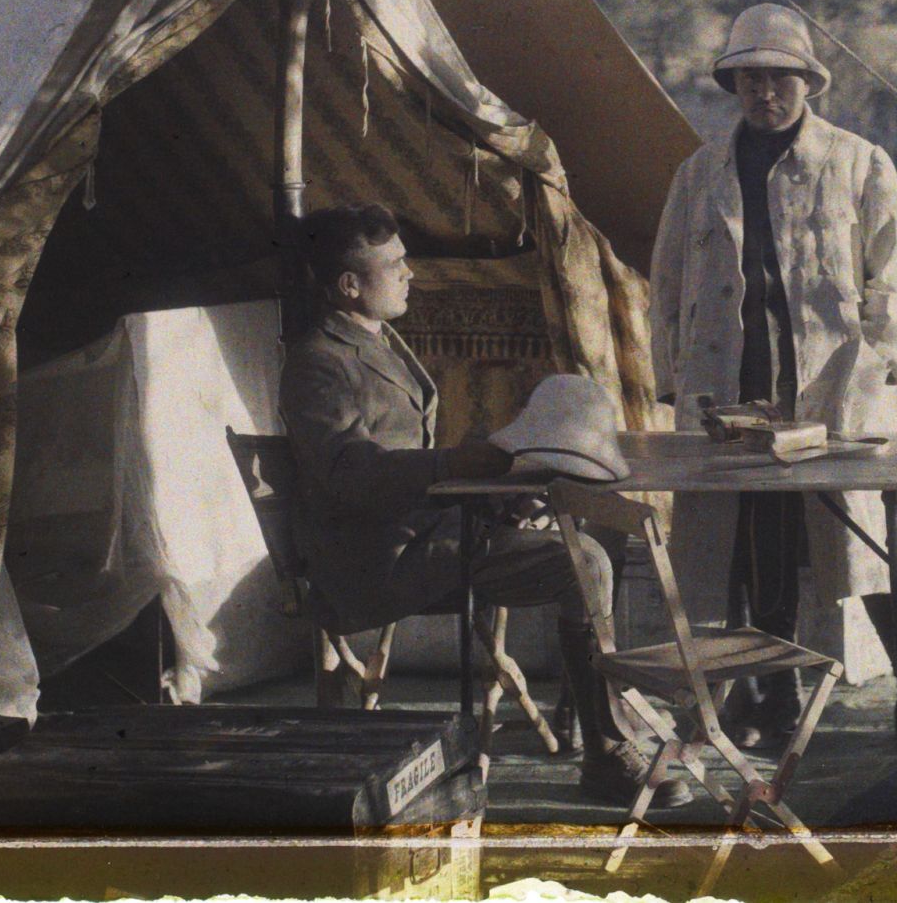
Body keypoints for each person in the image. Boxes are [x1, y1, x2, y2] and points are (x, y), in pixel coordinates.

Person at [281, 202, 692, 808]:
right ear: (349, 286)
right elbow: (350, 474)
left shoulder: (373, 341)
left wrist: (496, 500)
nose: (409, 273)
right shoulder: (318, 362)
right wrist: (455, 468)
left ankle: (604, 727)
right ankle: (607, 753)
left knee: (591, 538)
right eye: (393, 265)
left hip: (424, 534)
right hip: (378, 560)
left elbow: (396, 467)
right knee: (583, 563)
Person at [650, 4, 897, 750]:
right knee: (748, 542)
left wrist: (874, 369)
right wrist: (675, 377)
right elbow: (666, 281)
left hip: (834, 387)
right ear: (733, 85)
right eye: (750, 79)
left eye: (780, 78)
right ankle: (771, 694)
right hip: (733, 387)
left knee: (872, 538)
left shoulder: (859, 163)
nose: (765, 93)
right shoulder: (700, 174)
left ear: (809, 83)